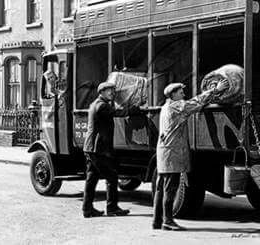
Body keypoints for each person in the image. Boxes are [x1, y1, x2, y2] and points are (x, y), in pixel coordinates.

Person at [152, 80, 228, 230]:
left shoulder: (166, 106)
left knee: (161, 188)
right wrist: (215, 90)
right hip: (172, 153)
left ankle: (156, 221)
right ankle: (167, 221)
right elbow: (196, 102)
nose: (183, 95)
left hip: (165, 151)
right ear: (173, 95)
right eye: (181, 92)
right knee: (170, 188)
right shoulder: (177, 106)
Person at [82, 82, 140, 218]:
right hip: (98, 149)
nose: (112, 93)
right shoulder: (102, 106)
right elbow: (118, 113)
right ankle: (112, 208)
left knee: (92, 178)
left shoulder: (96, 103)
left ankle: (87, 209)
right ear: (101, 92)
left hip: (92, 147)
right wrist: (135, 109)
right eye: (109, 91)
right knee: (112, 177)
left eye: (113, 90)